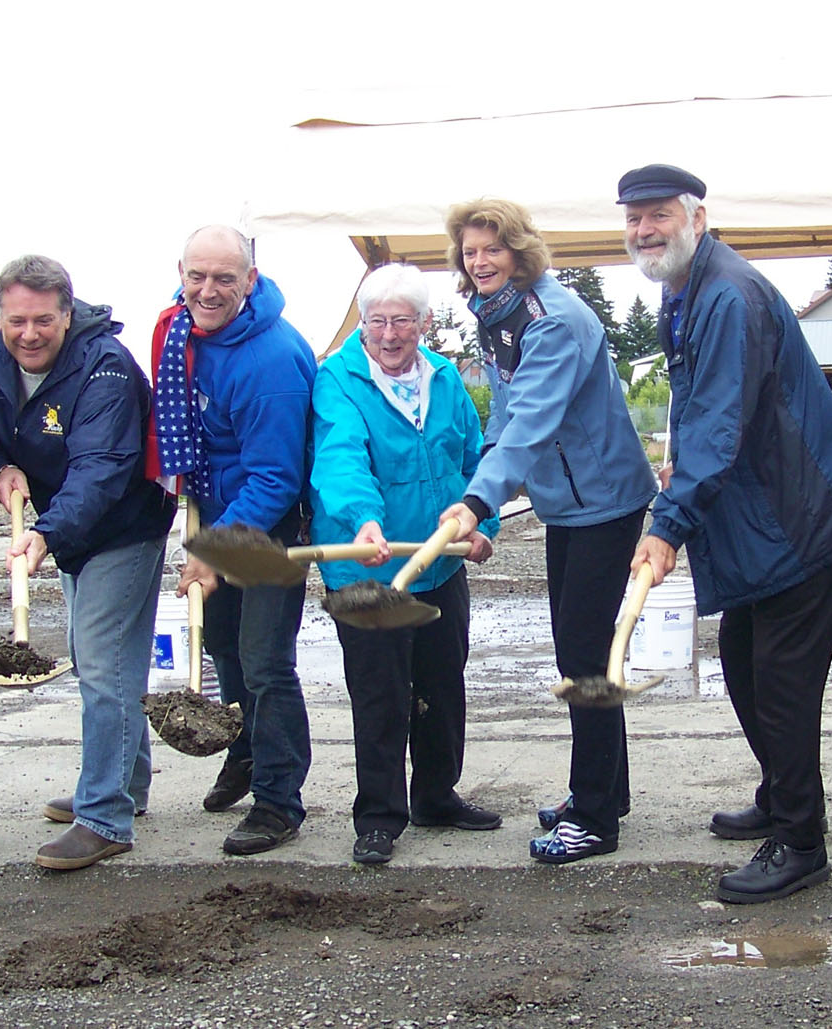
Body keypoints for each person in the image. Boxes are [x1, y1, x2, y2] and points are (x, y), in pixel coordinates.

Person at [620, 165, 832, 902]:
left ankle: (801, 839)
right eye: (634, 218)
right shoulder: (688, 290)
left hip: (800, 520)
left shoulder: (726, 295)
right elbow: (705, 411)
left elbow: (719, 419)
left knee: (781, 683)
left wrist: (666, 525)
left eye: (658, 215)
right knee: (742, 657)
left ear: (696, 218)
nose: (645, 230)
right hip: (766, 520)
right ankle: (780, 792)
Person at [435, 197, 658, 864]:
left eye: (492, 248)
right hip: (568, 500)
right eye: (470, 251)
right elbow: (504, 415)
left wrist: (478, 500)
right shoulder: (500, 318)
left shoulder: (553, 319)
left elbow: (531, 417)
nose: (479, 261)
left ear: (520, 252)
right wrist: (482, 497)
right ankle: (603, 792)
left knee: (585, 660)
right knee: (579, 654)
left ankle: (592, 817)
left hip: (605, 500)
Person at [0, 255, 176, 870]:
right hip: (67, 524)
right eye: (15, 321)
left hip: (122, 525)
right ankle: (125, 788)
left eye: (43, 321)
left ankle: (104, 815)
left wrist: (46, 534)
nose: (28, 334)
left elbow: (103, 468)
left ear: (67, 314)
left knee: (103, 664)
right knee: (102, 660)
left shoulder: (104, 368)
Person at [311, 264, 502, 865]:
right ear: (363, 322)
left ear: (424, 323)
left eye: (402, 321)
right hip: (368, 566)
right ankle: (378, 815)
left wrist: (484, 525)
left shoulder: (445, 378)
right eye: (377, 321)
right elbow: (339, 457)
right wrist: (364, 519)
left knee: (443, 684)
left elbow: (475, 459)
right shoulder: (337, 380)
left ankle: (437, 795)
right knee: (381, 693)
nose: (389, 335)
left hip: (439, 562)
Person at [153, 226, 317, 855]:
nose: (208, 289)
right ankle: (245, 752)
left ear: (250, 280)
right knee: (222, 643)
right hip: (210, 512)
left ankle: (280, 801)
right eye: (197, 276)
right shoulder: (178, 332)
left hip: (267, 525)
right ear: (181, 272)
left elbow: (276, 477)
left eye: (225, 278)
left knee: (265, 660)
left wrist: (211, 549)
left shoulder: (270, 359)